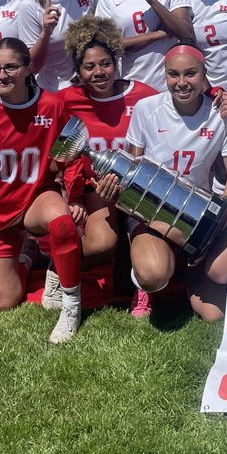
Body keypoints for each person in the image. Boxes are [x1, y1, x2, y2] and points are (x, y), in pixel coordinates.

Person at [0, 37, 88, 343]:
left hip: (36, 198)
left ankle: (71, 306)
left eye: (12, 67)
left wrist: (76, 195)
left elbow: (72, 153)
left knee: (62, 221)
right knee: (5, 301)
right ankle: (31, 255)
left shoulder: (51, 105)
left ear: (29, 68)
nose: (2, 75)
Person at [102, 45, 227, 322]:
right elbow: (133, 171)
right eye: (173, 74)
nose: (182, 83)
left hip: (196, 215)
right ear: (164, 75)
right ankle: (144, 283)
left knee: (214, 315)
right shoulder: (147, 108)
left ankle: (187, 273)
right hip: (152, 215)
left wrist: (223, 220)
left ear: (204, 74)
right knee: (153, 274)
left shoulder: (220, 113)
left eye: (191, 74)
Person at [59, 16, 158, 314]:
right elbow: (29, 103)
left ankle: (143, 287)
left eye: (105, 64)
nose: (98, 72)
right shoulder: (67, 99)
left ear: (115, 62)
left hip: (138, 190)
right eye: (89, 67)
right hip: (97, 189)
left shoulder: (142, 95)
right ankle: (57, 264)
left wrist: (214, 95)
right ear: (78, 71)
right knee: (103, 243)